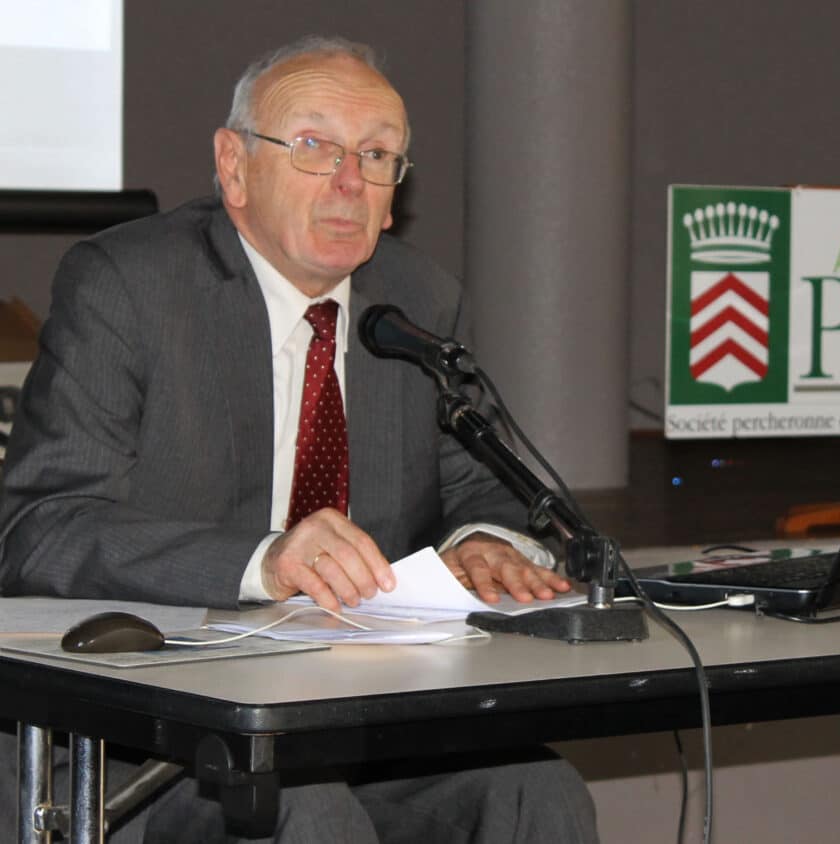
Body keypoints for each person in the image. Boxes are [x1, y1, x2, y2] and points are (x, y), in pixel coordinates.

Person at [0, 35, 599, 843]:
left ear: (395, 196)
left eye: (378, 155)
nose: (350, 181)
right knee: (298, 808)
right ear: (234, 166)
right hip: (152, 734)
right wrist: (264, 560)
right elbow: (42, 526)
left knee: (536, 786)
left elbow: (484, 482)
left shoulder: (416, 299)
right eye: (315, 147)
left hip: (348, 713)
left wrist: (488, 539)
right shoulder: (130, 286)